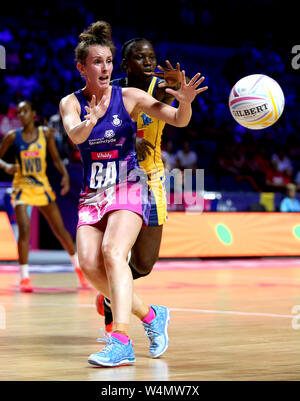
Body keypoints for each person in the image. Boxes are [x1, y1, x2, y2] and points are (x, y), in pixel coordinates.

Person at [59, 21, 207, 367]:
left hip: (129, 184)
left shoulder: (130, 97)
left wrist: (184, 103)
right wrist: (90, 121)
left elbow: (177, 120)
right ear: (81, 67)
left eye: (108, 61)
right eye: (97, 62)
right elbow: (76, 137)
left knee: (114, 252)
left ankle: (121, 339)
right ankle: (152, 315)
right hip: (93, 193)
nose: (105, 68)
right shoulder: (70, 102)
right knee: (89, 266)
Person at [96, 37, 191, 332]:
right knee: (113, 254)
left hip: (150, 179)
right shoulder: (110, 92)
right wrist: (125, 140)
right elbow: (93, 133)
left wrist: (183, 95)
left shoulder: (161, 90)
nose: (149, 62)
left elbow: (179, 118)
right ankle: (115, 330)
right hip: (115, 180)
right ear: (126, 64)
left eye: (151, 57)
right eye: (141, 58)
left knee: (145, 263)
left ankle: (111, 292)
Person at [0, 100, 90, 292]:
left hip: (42, 187)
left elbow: (56, 159)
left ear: (34, 114)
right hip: (22, 187)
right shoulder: (12, 137)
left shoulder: (45, 135)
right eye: (19, 112)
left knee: (61, 232)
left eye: (25, 111)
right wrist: (6, 166)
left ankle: (78, 269)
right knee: (24, 231)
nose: (21, 115)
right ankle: (24, 277)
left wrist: (65, 176)